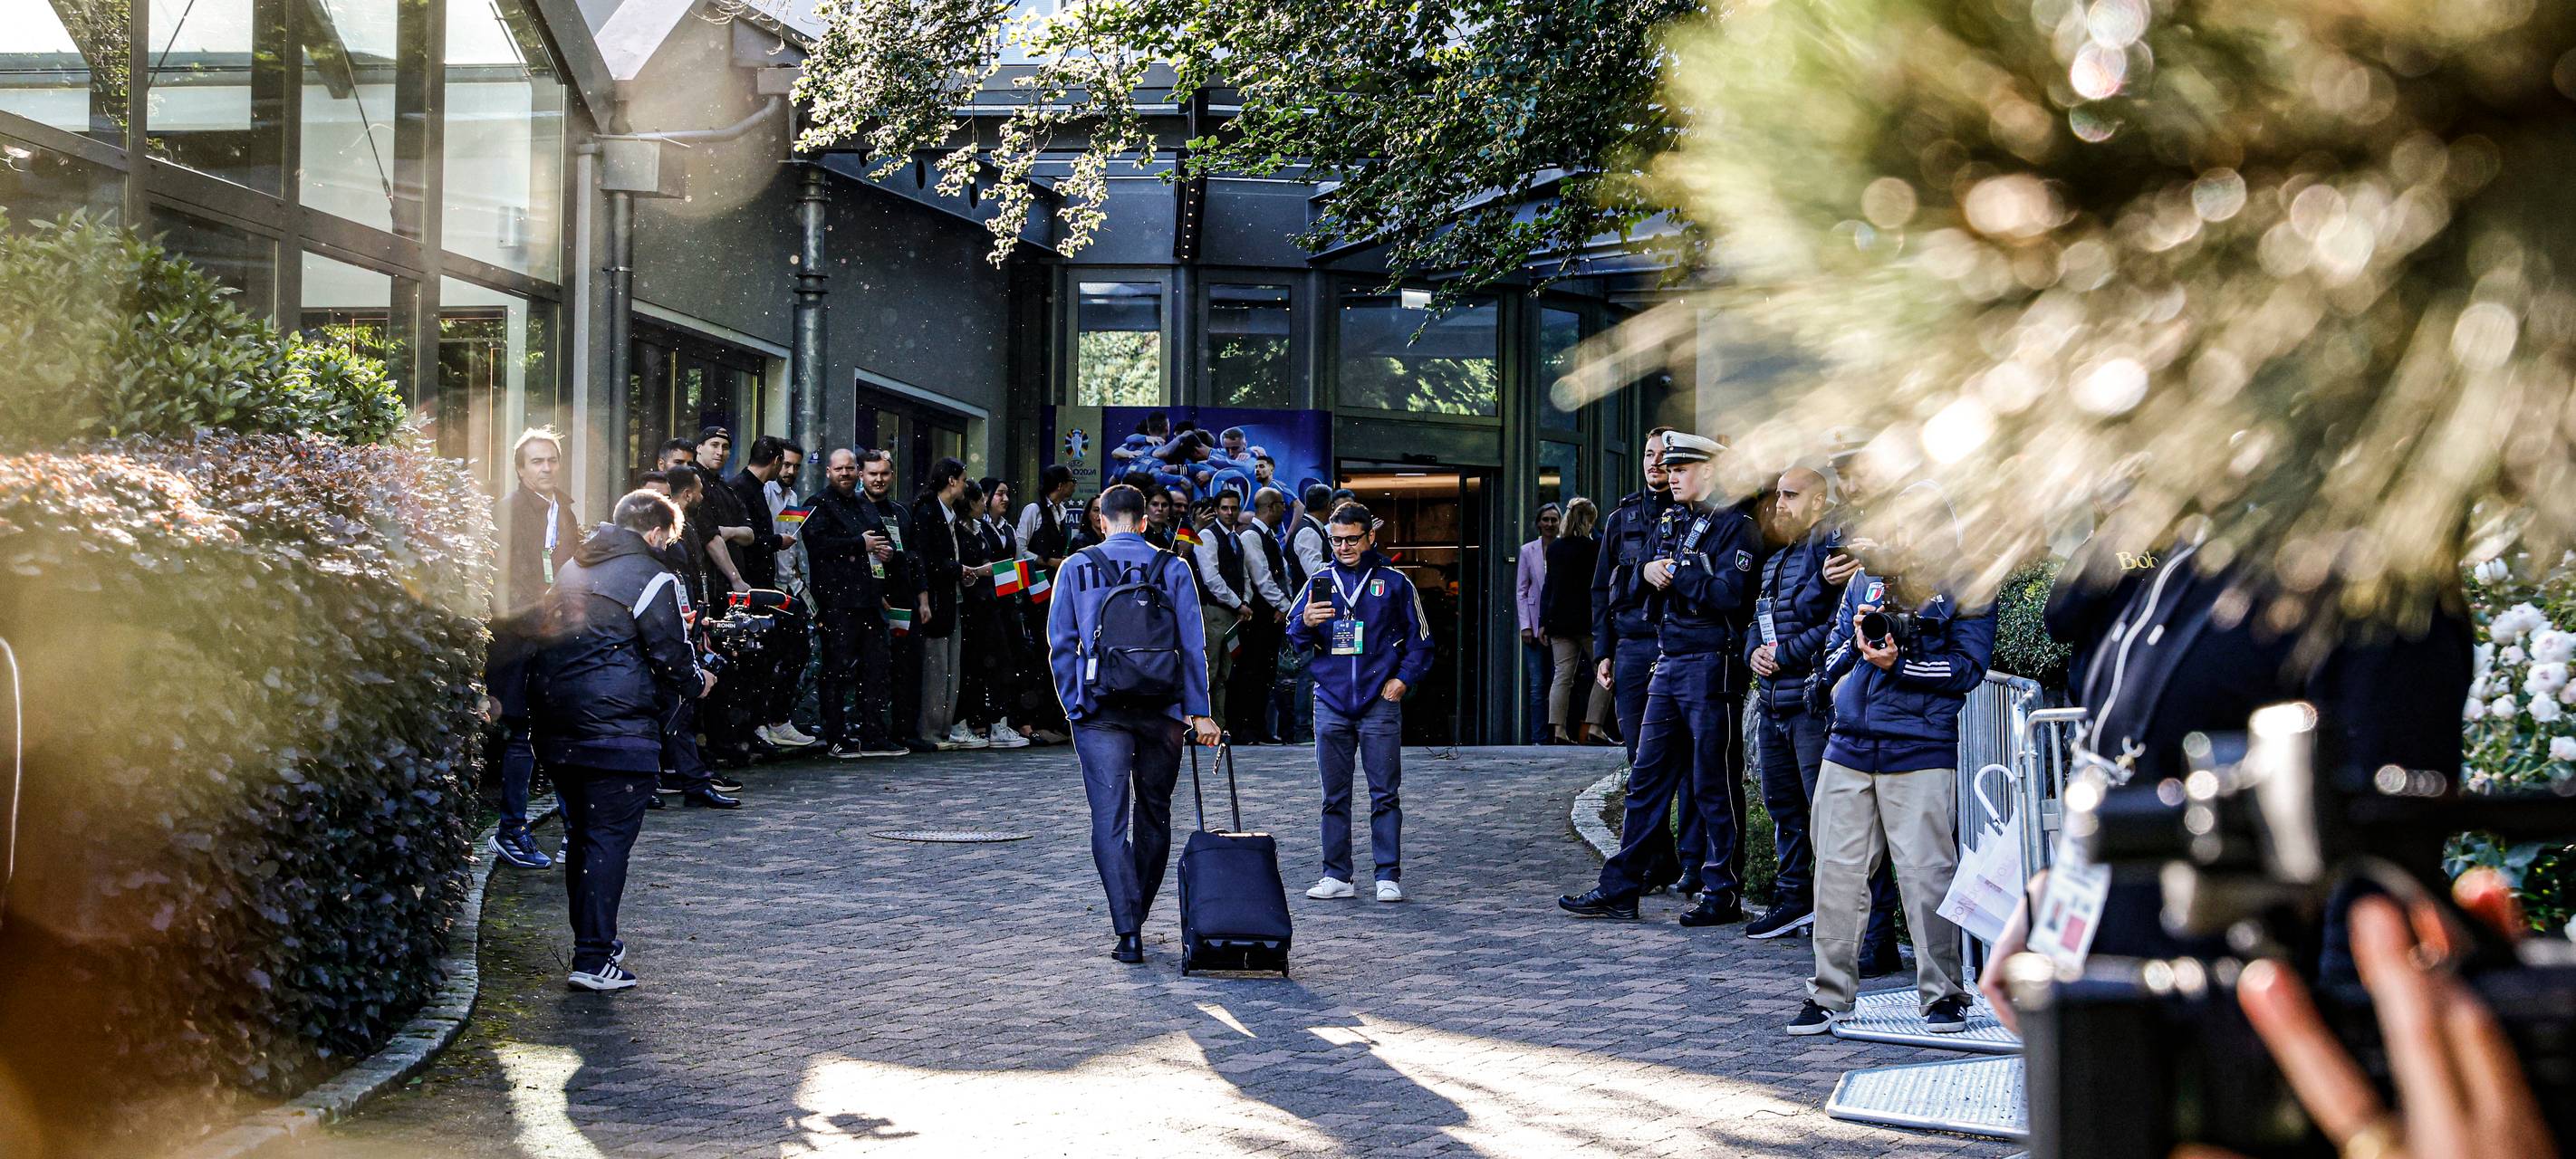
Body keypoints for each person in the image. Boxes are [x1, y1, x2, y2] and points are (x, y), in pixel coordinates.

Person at [1784, 487, 1993, 1037]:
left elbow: (1966, 669)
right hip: (1848, 745)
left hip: (1919, 748)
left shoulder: (1969, 584)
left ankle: (1944, 996)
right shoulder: (1864, 580)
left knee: (1927, 877)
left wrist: (1900, 662)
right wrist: (1853, 656)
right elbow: (1833, 648)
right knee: (1836, 873)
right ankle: (1829, 994)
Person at [1560, 431, 1761, 924]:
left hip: (1711, 661)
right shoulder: (1672, 521)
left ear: (1709, 472)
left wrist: (1680, 575)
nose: (1670, 476)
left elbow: (1732, 597)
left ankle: (1722, 891)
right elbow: (1627, 584)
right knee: (1646, 778)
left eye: (1681, 469)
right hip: (1669, 659)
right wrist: (1648, 571)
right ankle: (1621, 887)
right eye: (1669, 468)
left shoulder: (1736, 527)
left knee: (1713, 780)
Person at [525, 490, 716, 991]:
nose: (668, 547)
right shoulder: (653, 577)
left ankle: (596, 945)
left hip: (557, 723)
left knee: (583, 836)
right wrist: (700, 680)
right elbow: (671, 656)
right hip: (619, 730)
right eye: (668, 539)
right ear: (655, 532)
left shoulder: (571, 568)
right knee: (607, 840)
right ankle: (592, 957)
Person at [1045, 484, 1220, 965]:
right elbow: (1193, 645)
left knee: (1109, 820)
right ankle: (1137, 912)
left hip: (1099, 709)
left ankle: (1128, 932)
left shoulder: (1076, 566)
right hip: (1163, 710)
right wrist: (1198, 709)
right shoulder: (1174, 567)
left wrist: (1075, 704)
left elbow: (1061, 643)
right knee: (1154, 814)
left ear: (1101, 520)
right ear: (1144, 521)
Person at [1291, 502, 1434, 903]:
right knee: (1333, 795)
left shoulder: (1395, 582)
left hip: (1379, 702)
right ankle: (1336, 875)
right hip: (1331, 700)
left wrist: (1402, 681)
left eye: (1352, 539)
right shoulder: (1319, 580)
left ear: (1370, 536)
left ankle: (1387, 875)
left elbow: (1421, 641)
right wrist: (1305, 623)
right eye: (1336, 540)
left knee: (1384, 793)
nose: (1344, 547)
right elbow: (1293, 635)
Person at [488, 427, 582, 869]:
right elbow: (502, 582)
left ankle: (572, 832)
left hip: (554, 638)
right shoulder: (507, 512)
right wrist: (538, 621)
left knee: (560, 731)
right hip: (518, 641)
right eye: (536, 461)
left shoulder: (564, 509)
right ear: (520, 469)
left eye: (552, 460)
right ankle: (511, 830)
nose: (546, 468)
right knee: (521, 736)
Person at [803, 448, 908, 760]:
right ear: (828, 472)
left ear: (857, 471)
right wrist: (859, 544)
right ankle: (836, 737)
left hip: (870, 600)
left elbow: (882, 542)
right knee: (836, 670)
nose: (845, 474)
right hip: (837, 601)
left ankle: (873, 735)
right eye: (839, 469)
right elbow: (817, 545)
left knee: (875, 669)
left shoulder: (864, 505)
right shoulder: (818, 504)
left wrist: (886, 553)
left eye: (850, 468)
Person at [731, 436, 816, 751]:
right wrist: (775, 543)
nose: (790, 471)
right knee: (762, 658)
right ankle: (760, 723)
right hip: (764, 585)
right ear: (777, 462)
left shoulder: (790, 495)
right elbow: (757, 539)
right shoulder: (758, 490)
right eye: (786, 464)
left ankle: (776, 719)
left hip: (787, 584)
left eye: (796, 466)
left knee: (794, 652)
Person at [908, 457, 972, 749]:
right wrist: (957, 569)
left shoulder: (947, 513)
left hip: (949, 596)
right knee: (937, 666)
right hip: (936, 597)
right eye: (963, 479)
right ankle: (931, 730)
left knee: (950, 665)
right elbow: (926, 558)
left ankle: (943, 728)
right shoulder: (928, 512)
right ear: (951, 480)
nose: (965, 485)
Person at [1542, 497, 1615, 746]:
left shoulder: (1554, 548)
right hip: (1588, 621)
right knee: (1604, 672)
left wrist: (1544, 620)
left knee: (1562, 675)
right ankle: (1595, 727)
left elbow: (1549, 586)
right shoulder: (1594, 548)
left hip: (1559, 620)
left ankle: (1558, 730)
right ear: (1589, 520)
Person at [1230, 488, 1294, 744]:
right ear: (1271, 507)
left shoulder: (1269, 537)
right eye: (1282, 505)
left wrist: (1284, 605)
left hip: (1272, 614)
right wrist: (1285, 605)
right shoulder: (1251, 536)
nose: (1284, 510)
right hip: (1257, 616)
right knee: (1253, 673)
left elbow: (1281, 576)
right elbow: (1261, 577)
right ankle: (1248, 729)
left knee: (1266, 674)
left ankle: (1260, 727)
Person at [1277, 483, 1334, 745]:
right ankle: (1302, 728)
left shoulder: (1314, 529)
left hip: (1316, 610)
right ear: (1329, 506)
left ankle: (1306, 727)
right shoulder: (1308, 532)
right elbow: (1316, 572)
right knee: (1308, 672)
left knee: (1311, 670)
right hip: (1309, 611)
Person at [1192, 489, 1253, 730]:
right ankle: (1199, 726)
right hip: (1213, 611)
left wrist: (1245, 602)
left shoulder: (1235, 538)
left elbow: (1244, 574)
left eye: (1234, 508)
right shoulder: (1207, 535)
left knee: (1223, 674)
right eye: (1225, 508)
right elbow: (1212, 579)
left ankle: (1217, 724)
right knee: (1209, 671)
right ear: (1216, 510)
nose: (1229, 512)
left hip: (1231, 614)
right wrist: (1239, 603)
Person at [1516, 503, 1562, 745]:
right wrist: (1525, 625)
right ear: (1538, 523)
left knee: (1559, 682)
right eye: (1546, 519)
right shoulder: (1527, 550)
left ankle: (1558, 735)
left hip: (1558, 624)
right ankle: (1539, 738)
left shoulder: (1562, 547)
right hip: (1533, 626)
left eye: (1554, 519)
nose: (1550, 524)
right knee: (1537, 685)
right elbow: (1521, 590)